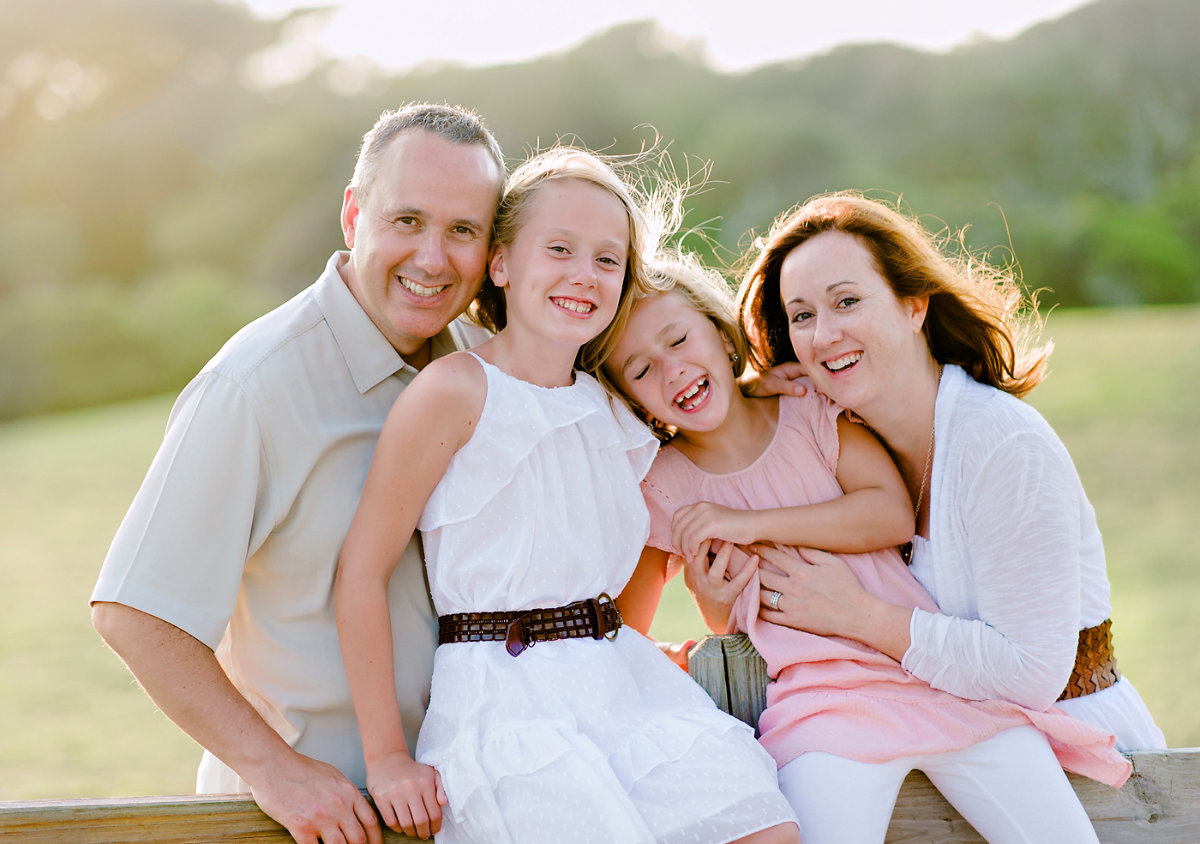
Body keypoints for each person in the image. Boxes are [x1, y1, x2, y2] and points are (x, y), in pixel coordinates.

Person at [333, 147, 800, 844]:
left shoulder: (613, 407)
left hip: (622, 684)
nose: (584, 275)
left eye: (607, 260)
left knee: (762, 826)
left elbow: (697, 416)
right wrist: (388, 758)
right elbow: (361, 572)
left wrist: (766, 391)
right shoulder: (456, 391)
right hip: (507, 698)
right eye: (559, 249)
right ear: (501, 265)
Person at [594, 250, 1131, 842]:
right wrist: (715, 617)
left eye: (678, 341)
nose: (669, 370)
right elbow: (628, 629)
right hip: (822, 707)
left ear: (724, 338)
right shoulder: (661, 487)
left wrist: (748, 523)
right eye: (640, 370)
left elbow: (889, 514)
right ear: (629, 399)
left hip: (937, 680)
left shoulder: (806, 412)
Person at [90, 103, 506, 844]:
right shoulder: (253, 386)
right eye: (406, 221)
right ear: (353, 215)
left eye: (463, 230)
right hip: (315, 819)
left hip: (469, 801)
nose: (434, 259)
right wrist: (277, 771)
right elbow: (138, 613)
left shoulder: (491, 365)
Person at [738, 191, 1166, 753]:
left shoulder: (1001, 442)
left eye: (846, 302)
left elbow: (1030, 671)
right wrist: (745, 396)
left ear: (914, 305)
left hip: (1081, 761)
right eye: (802, 316)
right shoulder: (840, 451)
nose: (823, 336)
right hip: (943, 758)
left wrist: (861, 615)